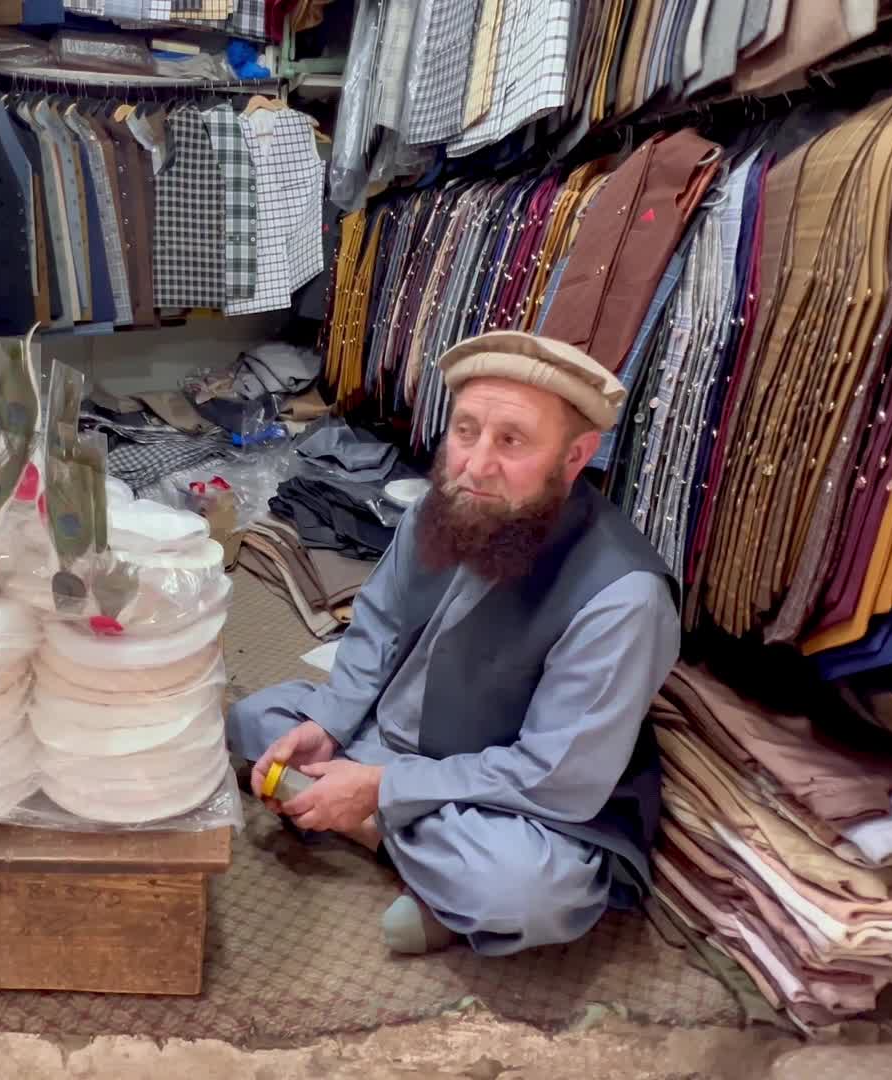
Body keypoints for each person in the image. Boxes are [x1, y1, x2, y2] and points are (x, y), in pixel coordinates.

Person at [228, 331, 680, 956]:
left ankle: (371, 827)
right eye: (466, 431)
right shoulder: (443, 506)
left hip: (509, 791)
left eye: (513, 440)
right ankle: (405, 856)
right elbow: (379, 624)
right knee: (255, 721)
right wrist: (330, 724)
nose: (476, 464)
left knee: (531, 893)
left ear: (575, 457)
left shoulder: (623, 598)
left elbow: (553, 777)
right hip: (395, 737)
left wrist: (381, 787)